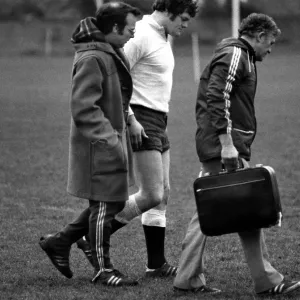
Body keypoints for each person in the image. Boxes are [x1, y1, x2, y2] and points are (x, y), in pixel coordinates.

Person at [173, 13, 300, 296]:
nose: (271, 47)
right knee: (247, 210)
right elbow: (216, 95)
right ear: (257, 35)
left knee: (216, 210)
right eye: (270, 41)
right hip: (223, 146)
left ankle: (188, 277)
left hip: (222, 144)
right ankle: (266, 280)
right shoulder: (235, 54)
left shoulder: (242, 57)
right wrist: (226, 143)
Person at [75, 0, 199, 278]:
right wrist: (130, 118)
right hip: (142, 119)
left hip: (159, 118)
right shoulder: (140, 33)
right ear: (169, 11)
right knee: (152, 193)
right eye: (183, 19)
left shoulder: (162, 35)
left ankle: (156, 264)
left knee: (162, 195)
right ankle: (85, 234)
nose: (185, 26)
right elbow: (116, 74)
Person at [39, 2, 142, 287]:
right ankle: (103, 269)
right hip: (99, 144)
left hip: (108, 140)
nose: (132, 35)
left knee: (115, 201)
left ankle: (59, 243)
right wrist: (110, 140)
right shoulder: (93, 57)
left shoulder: (108, 51)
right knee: (104, 205)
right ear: (115, 28)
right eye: (130, 30)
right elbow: (84, 108)